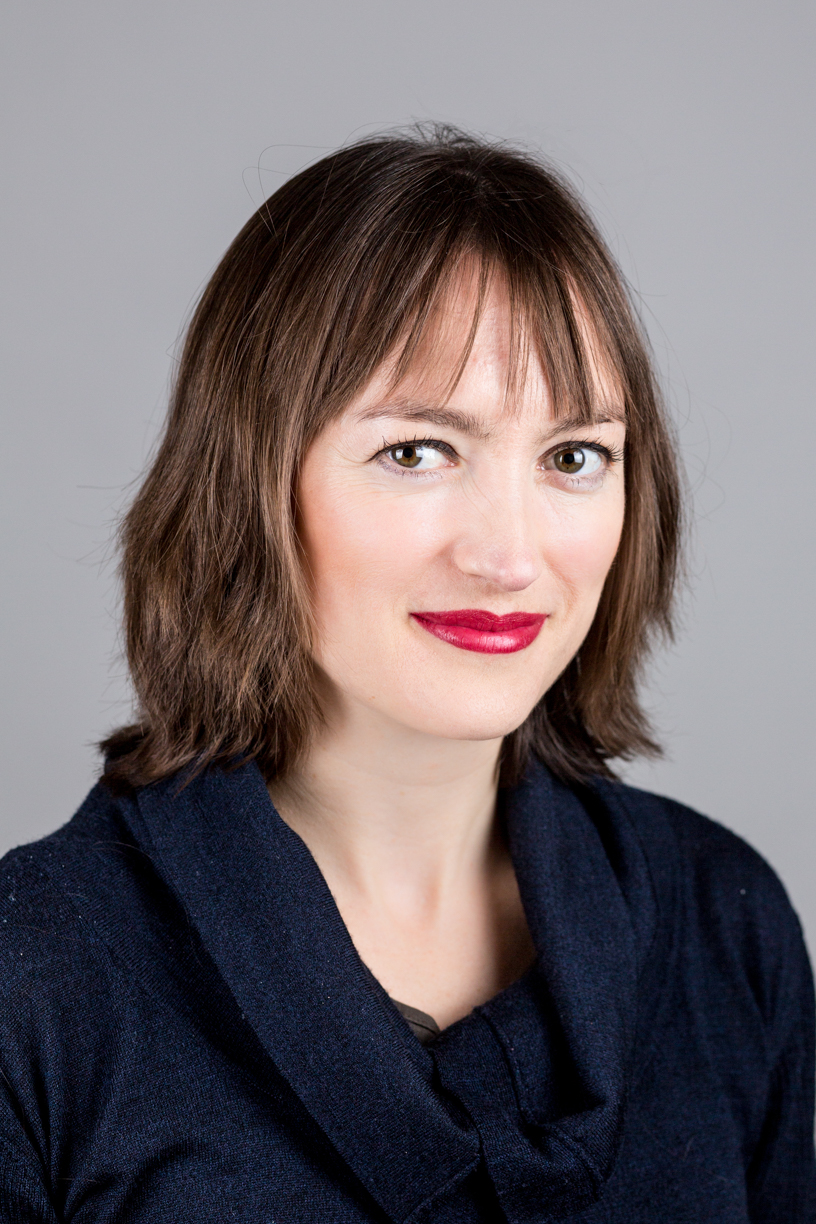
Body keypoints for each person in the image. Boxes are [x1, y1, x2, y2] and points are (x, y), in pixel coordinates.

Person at [0, 126, 813, 1224]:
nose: (510, 557)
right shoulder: (38, 978)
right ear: (248, 483)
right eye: (416, 452)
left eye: (574, 457)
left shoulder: (726, 924)